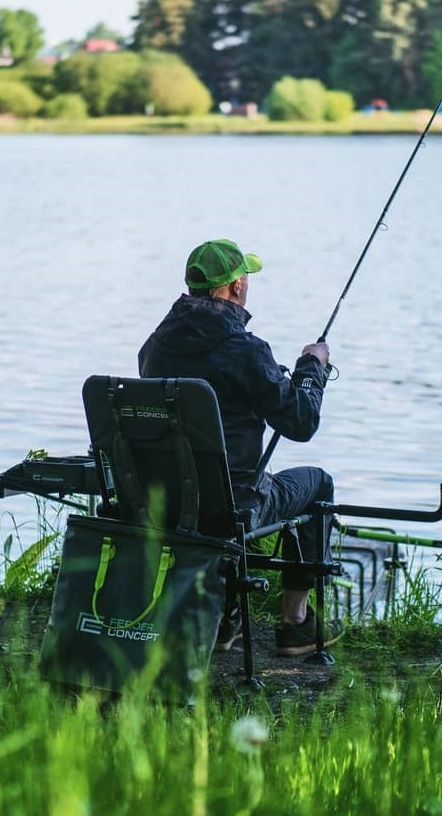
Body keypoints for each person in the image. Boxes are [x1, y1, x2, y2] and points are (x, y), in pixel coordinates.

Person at [138, 238, 342, 656]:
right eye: (245, 277)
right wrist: (311, 367)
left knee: (223, 483)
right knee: (317, 484)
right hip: (231, 508)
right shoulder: (247, 351)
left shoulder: (154, 347)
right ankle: (296, 624)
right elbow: (301, 422)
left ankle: (223, 617)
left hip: (165, 502)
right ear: (235, 287)